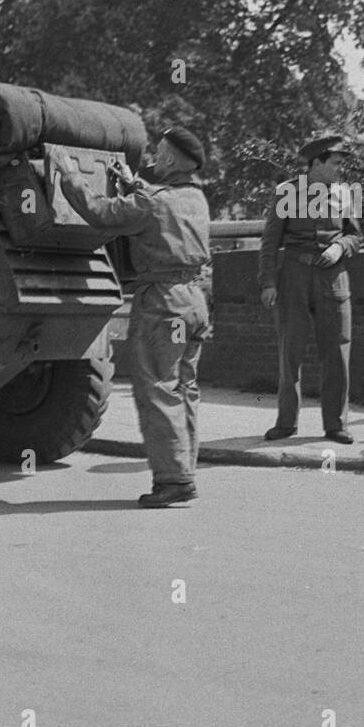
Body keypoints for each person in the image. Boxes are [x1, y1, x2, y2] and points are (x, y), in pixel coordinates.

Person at [56, 128, 211, 507]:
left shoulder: (151, 202)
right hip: (195, 300)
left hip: (163, 302)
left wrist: (68, 174)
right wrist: (132, 182)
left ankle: (173, 480)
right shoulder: (196, 198)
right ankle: (183, 472)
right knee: (184, 389)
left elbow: (101, 213)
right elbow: (161, 205)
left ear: (172, 160)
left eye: (160, 152)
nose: (154, 156)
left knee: (158, 388)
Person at [259, 132, 362, 445]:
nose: (339, 169)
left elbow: (356, 236)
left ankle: (336, 425)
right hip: (295, 275)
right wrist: (268, 282)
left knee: (337, 351)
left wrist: (340, 247)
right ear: (316, 163)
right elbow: (270, 241)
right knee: (290, 351)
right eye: (335, 162)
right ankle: (286, 422)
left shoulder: (345, 193)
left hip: (333, 277)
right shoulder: (286, 193)